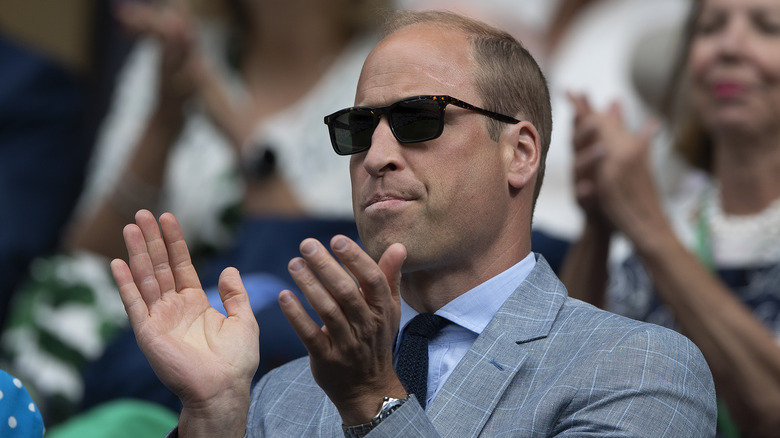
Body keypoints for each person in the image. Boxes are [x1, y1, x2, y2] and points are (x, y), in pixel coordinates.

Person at [111, 10, 717, 437]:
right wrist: (215, 414)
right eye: (356, 129)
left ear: (521, 153)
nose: (375, 157)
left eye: (419, 119)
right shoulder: (279, 392)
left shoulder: (640, 367)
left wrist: (373, 401)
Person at [561, 0, 780, 436]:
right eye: (710, 27)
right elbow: (557, 383)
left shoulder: (656, 232)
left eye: (767, 27)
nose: (728, 47)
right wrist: (599, 224)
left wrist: (646, 223)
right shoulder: (670, 229)